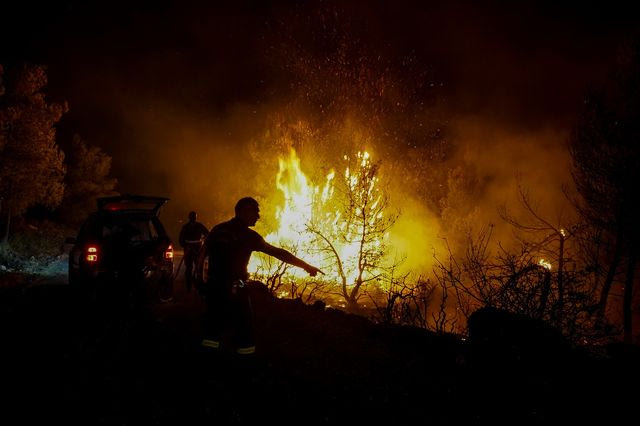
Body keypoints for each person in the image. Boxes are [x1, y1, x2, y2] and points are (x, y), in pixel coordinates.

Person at [197, 197, 322, 356]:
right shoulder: (248, 236)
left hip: (214, 288)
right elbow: (279, 253)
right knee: (244, 328)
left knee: (212, 327)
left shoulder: (218, 229)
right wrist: (305, 266)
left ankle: (207, 364)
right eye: (255, 211)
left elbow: (201, 256)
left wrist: (200, 282)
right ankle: (246, 366)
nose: (258, 216)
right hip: (236, 290)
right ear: (243, 211)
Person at [178, 211, 209, 293]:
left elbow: (207, 234)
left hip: (198, 249)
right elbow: (181, 239)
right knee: (189, 268)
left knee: (199, 269)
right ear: (189, 218)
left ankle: (199, 287)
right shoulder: (185, 227)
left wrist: (204, 244)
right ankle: (189, 287)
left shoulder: (200, 226)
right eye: (192, 217)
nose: (194, 218)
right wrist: (186, 245)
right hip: (188, 250)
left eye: (195, 217)